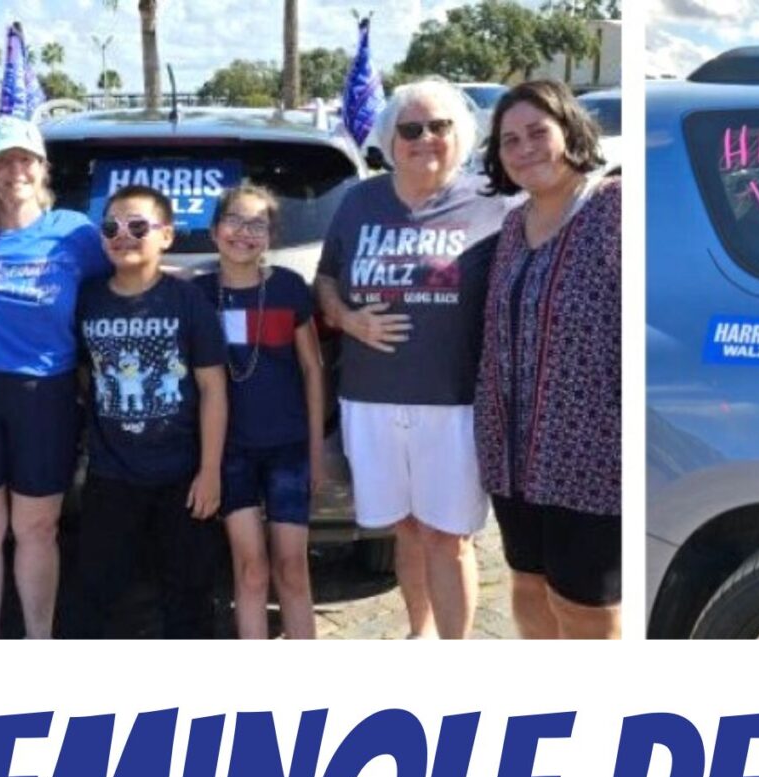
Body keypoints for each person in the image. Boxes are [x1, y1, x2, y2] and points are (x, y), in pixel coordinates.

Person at [316, 78, 511, 639]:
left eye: (439, 126)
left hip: (452, 402)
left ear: (461, 133)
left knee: (447, 537)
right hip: (370, 400)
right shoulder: (360, 200)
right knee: (403, 529)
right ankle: (418, 635)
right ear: (390, 138)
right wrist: (347, 318)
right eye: (411, 129)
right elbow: (326, 279)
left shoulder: (493, 203)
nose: (425, 138)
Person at [0, 118, 109, 639]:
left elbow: (130, 280)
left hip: (45, 395)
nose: (17, 170)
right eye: (4, 161)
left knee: (37, 528)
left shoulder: (75, 233)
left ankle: (39, 645)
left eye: (26, 159)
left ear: (42, 167)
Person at [474, 81, 621, 640]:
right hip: (513, 455)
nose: (525, 148)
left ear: (570, 131)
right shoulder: (513, 225)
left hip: (593, 457)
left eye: (539, 132)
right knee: (528, 583)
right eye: (510, 140)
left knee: (586, 607)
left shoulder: (616, 209)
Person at [69, 183, 226, 639]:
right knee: (97, 594)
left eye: (138, 226)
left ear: (167, 236)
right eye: (111, 226)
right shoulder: (88, 298)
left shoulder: (186, 300)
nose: (123, 235)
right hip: (111, 476)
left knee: (190, 595)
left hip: (182, 474)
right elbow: (83, 373)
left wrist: (210, 471)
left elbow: (213, 388)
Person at [200, 182, 325, 640]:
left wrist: (314, 451)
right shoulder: (198, 295)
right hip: (231, 454)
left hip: (288, 450)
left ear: (271, 236)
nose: (244, 233)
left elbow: (313, 370)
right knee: (250, 570)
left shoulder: (289, 288)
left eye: (258, 224)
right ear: (214, 232)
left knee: (292, 569)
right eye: (234, 220)